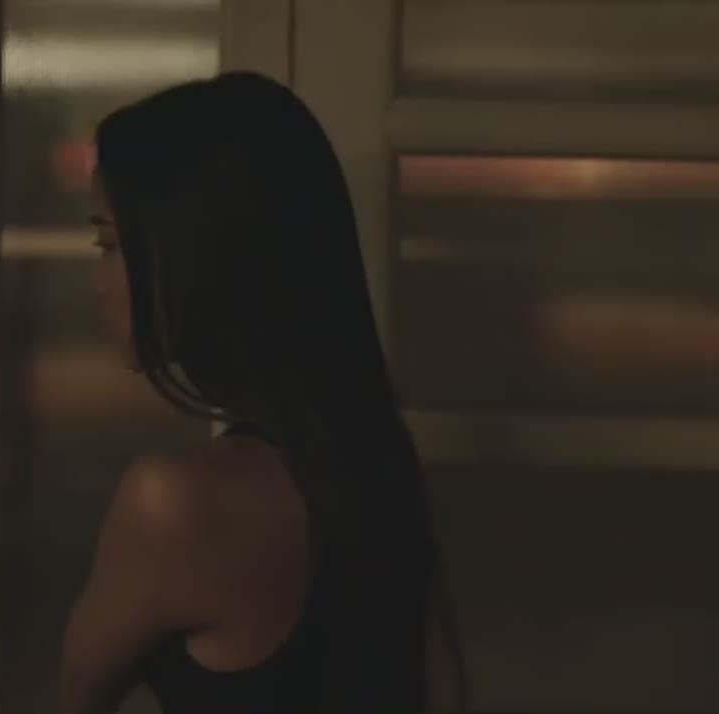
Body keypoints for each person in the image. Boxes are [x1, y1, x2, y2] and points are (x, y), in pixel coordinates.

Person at [59, 72, 465, 713]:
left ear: (203, 255)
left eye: (110, 244)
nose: (99, 281)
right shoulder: (372, 455)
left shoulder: (172, 504)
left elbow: (77, 696)